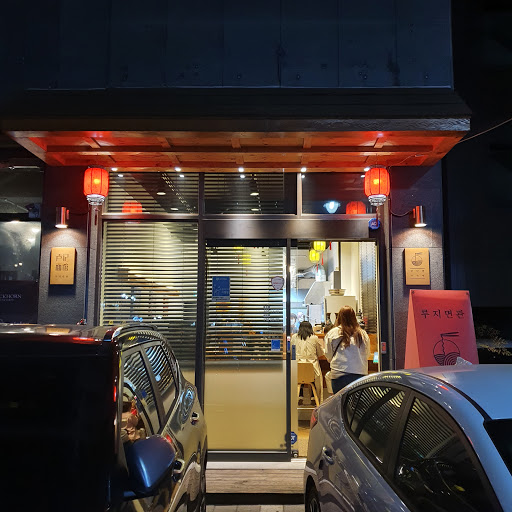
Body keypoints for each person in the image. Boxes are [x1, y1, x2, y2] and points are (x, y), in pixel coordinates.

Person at [324, 306, 370, 394]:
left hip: (338, 375)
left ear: (339, 317)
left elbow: (328, 355)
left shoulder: (332, 333)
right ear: (354, 317)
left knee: (340, 400)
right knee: (357, 401)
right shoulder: (362, 334)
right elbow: (366, 355)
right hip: (359, 374)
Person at [292, 321, 325, 402]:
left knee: (299, 378)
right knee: (315, 376)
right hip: (312, 368)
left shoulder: (294, 337)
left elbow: (292, 352)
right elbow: (320, 353)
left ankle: (300, 396)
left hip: (298, 368)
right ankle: (315, 397)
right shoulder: (314, 338)